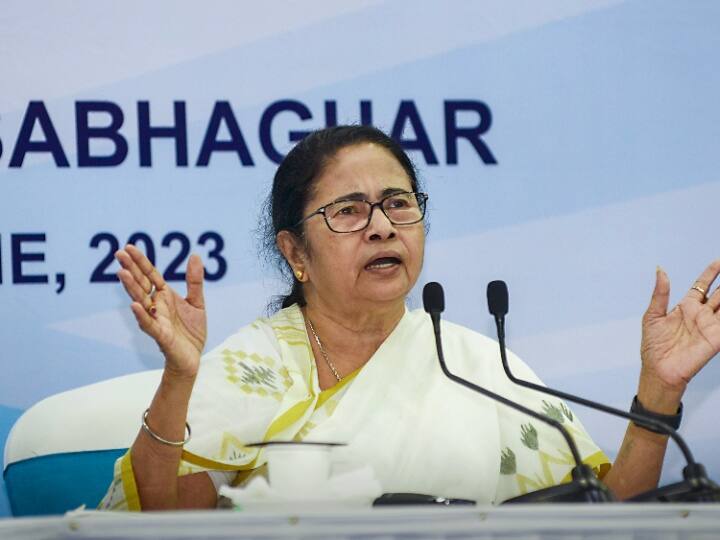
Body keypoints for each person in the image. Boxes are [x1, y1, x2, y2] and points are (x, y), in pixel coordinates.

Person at [99, 125, 720, 510]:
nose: (380, 225)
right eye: (347, 211)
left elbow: (609, 516)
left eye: (397, 204)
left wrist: (659, 391)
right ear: (296, 255)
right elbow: (167, 524)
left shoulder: (479, 366)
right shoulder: (259, 364)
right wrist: (180, 376)